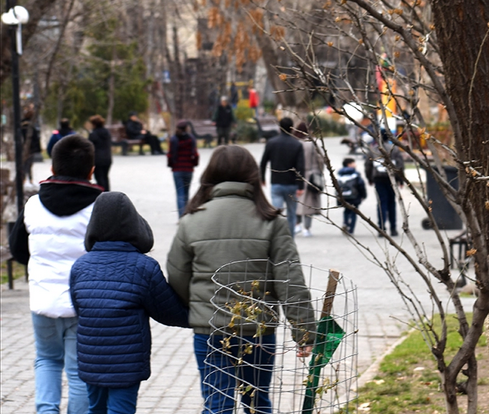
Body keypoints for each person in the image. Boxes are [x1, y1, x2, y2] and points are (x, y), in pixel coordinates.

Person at [166, 146, 315, 414]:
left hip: (210, 329)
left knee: (217, 404)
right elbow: (290, 279)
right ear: (253, 176)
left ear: (210, 175)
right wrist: (304, 331)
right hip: (258, 331)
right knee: (258, 403)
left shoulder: (191, 220)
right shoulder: (271, 222)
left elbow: (177, 273)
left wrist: (198, 305)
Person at [69, 192, 190, 414]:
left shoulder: (80, 266)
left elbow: (79, 308)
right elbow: (167, 311)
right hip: (126, 362)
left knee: (95, 409)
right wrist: (198, 317)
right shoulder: (143, 267)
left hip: (91, 358)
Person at [10, 135, 102, 414]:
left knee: (47, 360)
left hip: (42, 301)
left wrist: (39, 263)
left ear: (52, 168)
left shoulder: (33, 205)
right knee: (77, 370)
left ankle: (46, 410)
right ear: (91, 170)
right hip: (82, 303)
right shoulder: (100, 205)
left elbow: (18, 250)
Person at [259, 117, 306, 236]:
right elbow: (300, 166)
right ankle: (290, 240)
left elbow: (263, 162)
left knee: (277, 214)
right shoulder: (297, 145)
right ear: (292, 129)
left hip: (276, 183)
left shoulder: (272, 143)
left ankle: (277, 239)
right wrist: (301, 186)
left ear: (279, 127)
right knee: (291, 214)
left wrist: (262, 178)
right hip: (292, 184)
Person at [365, 130, 405, 237]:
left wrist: (369, 177)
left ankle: (381, 227)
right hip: (391, 178)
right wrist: (400, 179)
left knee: (381, 202)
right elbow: (400, 164)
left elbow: (368, 165)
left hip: (378, 178)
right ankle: (393, 228)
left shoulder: (373, 150)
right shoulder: (394, 149)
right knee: (391, 202)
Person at [294, 122, 324, 237]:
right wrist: (320, 170)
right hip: (312, 174)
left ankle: (297, 224)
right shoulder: (313, 142)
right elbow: (321, 159)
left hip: (297, 174)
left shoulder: (295, 143)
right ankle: (307, 228)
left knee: (297, 201)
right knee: (309, 204)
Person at [168, 120, 200, 218]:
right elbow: (195, 154)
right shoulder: (191, 139)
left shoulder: (173, 139)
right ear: (186, 128)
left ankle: (181, 216)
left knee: (180, 193)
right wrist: (194, 164)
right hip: (188, 169)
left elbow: (170, 155)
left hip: (177, 169)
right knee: (186, 193)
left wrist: (171, 165)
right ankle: (186, 214)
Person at [336, 158, 367, 235]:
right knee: (354, 212)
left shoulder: (340, 174)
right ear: (349, 164)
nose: (355, 165)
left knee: (346, 211)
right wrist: (363, 195)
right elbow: (361, 185)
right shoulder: (356, 174)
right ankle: (351, 229)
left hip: (343, 196)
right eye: (353, 163)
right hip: (354, 196)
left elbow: (337, 186)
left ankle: (345, 223)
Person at [87, 115, 113, 191]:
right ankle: (107, 193)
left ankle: (102, 193)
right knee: (105, 176)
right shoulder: (107, 132)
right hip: (107, 158)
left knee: (99, 177)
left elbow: (89, 146)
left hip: (97, 159)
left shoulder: (93, 134)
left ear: (94, 124)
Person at [21, 105, 42, 183]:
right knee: (28, 164)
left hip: (24, 147)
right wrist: (37, 148)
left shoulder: (21, 125)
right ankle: (27, 178)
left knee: (26, 163)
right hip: (30, 148)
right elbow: (35, 138)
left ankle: (27, 178)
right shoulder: (30, 126)